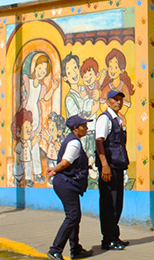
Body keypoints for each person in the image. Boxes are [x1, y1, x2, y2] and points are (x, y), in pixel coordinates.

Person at [45, 115, 94, 260]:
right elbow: (66, 162)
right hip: (66, 184)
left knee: (75, 216)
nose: (86, 128)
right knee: (72, 216)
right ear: (75, 128)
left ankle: (76, 249)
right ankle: (55, 250)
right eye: (83, 126)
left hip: (67, 184)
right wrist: (55, 169)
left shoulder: (73, 140)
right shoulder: (74, 143)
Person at [95, 90, 130, 250]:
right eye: (115, 100)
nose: (118, 102)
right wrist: (105, 165)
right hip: (109, 168)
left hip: (118, 166)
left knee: (117, 203)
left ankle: (114, 236)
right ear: (108, 101)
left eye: (121, 100)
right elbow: (99, 142)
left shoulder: (118, 119)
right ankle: (108, 239)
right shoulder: (105, 119)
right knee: (109, 204)